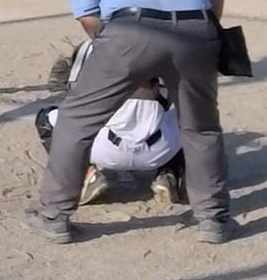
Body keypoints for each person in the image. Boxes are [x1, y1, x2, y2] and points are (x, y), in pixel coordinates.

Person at [24, 0, 233, 245]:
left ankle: (54, 215)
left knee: (75, 121)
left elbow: (89, 17)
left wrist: (123, 54)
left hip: (130, 29)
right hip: (196, 27)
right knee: (201, 127)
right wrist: (206, 30)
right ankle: (214, 219)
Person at [33, 40, 186, 208]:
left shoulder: (93, 47)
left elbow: (75, 94)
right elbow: (174, 98)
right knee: (190, 119)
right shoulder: (168, 47)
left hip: (104, 149)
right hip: (159, 151)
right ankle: (169, 174)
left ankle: (86, 176)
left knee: (46, 118)